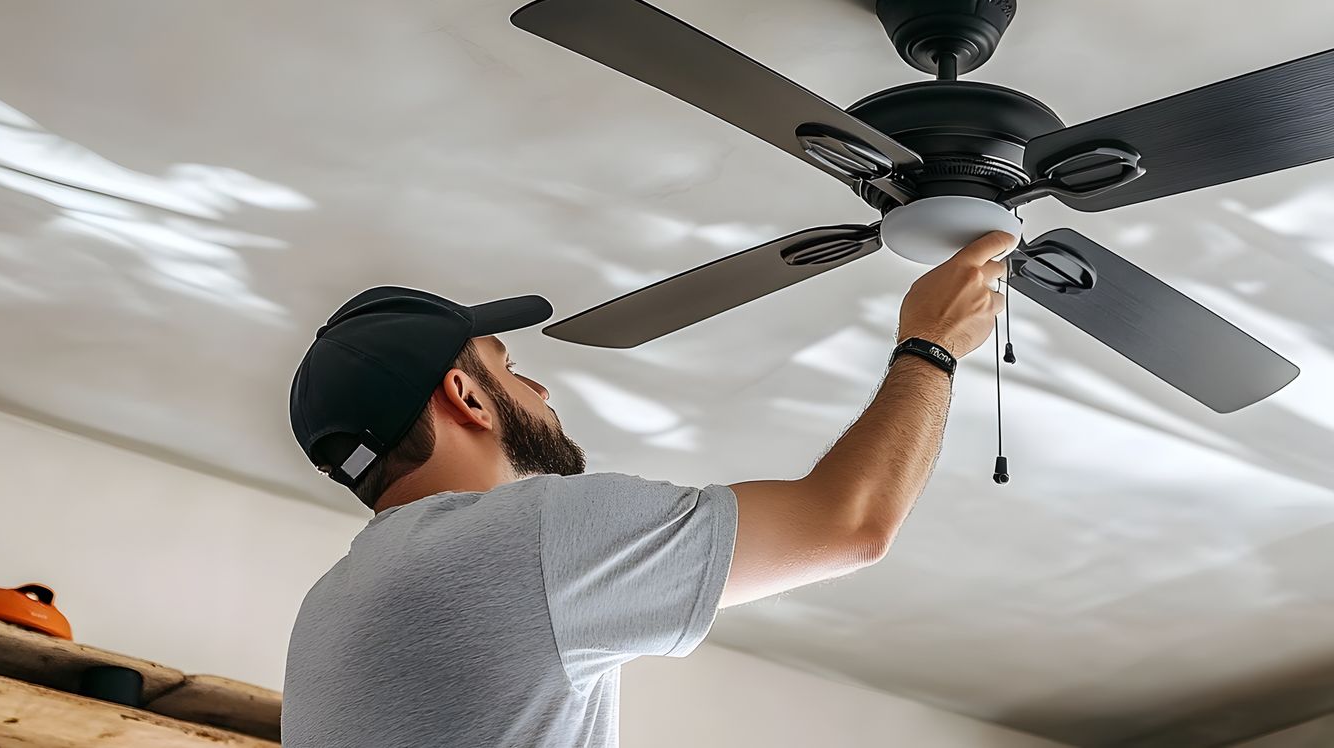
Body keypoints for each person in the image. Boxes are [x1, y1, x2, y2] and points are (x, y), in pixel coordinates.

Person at [281, 231, 1018, 747]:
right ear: (466, 398)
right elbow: (850, 524)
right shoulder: (526, 534)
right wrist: (933, 342)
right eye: (508, 368)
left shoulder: (330, 610)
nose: (537, 386)